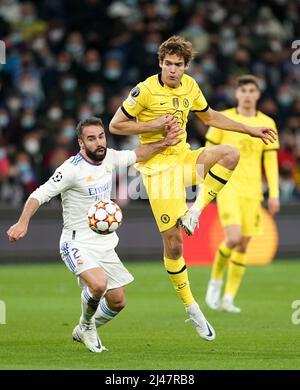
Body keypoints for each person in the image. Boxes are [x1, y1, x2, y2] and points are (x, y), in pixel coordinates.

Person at [109, 36, 276, 341]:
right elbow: (116, 126)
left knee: (230, 154)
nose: (173, 70)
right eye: (168, 64)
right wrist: (153, 125)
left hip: (186, 163)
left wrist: (251, 130)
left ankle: (195, 211)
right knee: (174, 246)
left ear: (186, 66)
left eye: (179, 65)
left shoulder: (190, 86)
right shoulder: (144, 91)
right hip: (158, 173)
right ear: (160, 62)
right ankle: (192, 308)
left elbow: (210, 117)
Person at [7, 116, 182, 353]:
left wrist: (165, 142)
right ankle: (88, 325)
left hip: (104, 244)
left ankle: (82, 327)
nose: (98, 142)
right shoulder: (71, 170)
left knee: (118, 301)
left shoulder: (108, 157)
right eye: (91, 138)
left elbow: (138, 154)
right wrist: (22, 223)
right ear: (81, 143)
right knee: (98, 285)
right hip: (76, 242)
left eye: (101, 136)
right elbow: (39, 194)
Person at [205, 75, 280, 313]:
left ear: (258, 94)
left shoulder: (267, 122)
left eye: (252, 90)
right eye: (243, 90)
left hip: (253, 192)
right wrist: (202, 185)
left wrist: (274, 194)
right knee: (234, 238)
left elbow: (270, 161)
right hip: (228, 187)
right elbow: (207, 153)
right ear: (237, 94)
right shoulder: (224, 119)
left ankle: (229, 298)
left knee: (243, 246)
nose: (247, 94)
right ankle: (215, 281)